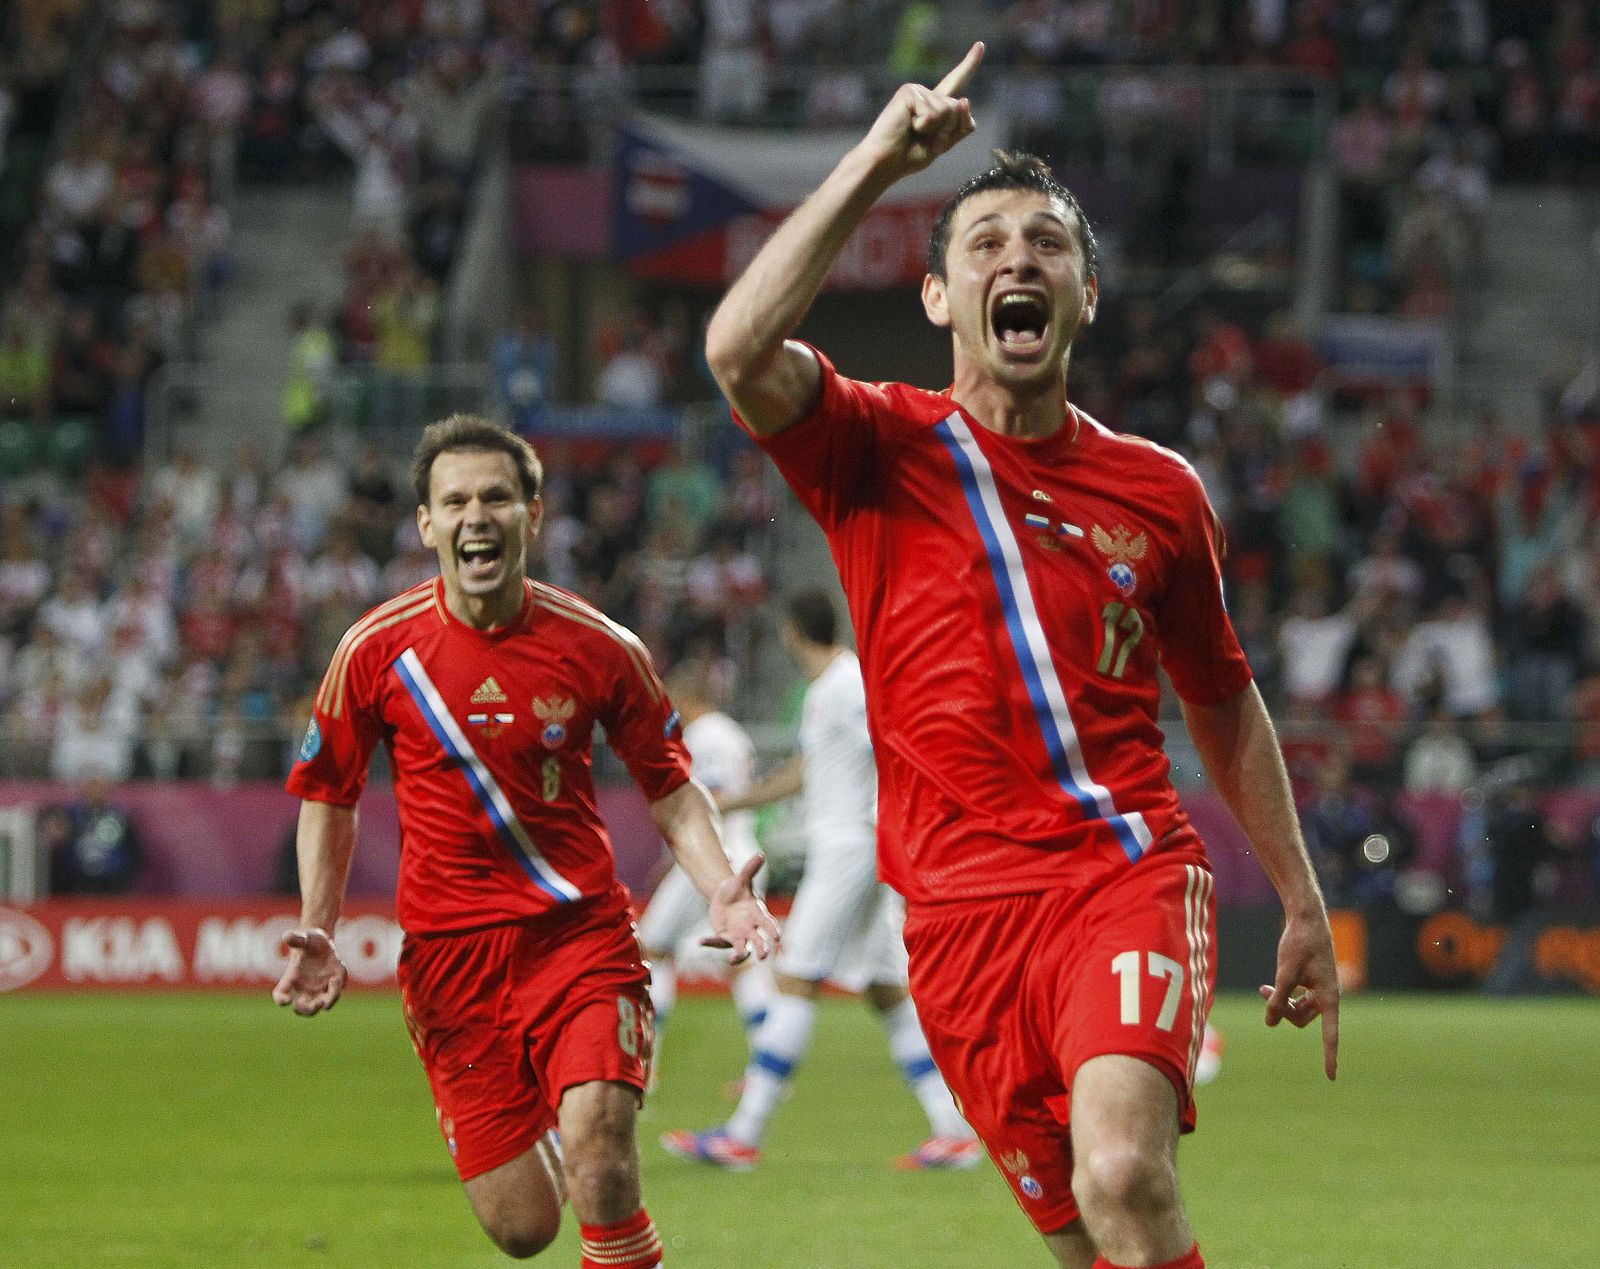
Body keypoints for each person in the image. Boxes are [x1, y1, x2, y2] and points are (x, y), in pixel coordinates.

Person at [700, 42, 1339, 1269]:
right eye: (983, 243)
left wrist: (1299, 894)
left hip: (1118, 875)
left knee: (1123, 1173)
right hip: (950, 923)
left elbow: (1222, 701)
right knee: (1088, 1243)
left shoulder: (1157, 493)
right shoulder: (874, 449)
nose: (1016, 261)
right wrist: (877, 161)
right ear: (938, 298)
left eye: (1046, 244)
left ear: (1085, 296)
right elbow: (735, 350)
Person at [272, 414, 779, 1266]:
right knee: (524, 1227)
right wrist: (318, 924)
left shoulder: (599, 646)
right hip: (450, 962)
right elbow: (328, 794)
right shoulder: (375, 651)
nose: (478, 515)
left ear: (532, 515)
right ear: (428, 524)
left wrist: (721, 881)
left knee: (603, 1151)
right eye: (457, 500)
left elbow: (670, 785)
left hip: (576, 937)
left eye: (498, 497)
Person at [662, 588, 978, 1171]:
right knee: (885, 987)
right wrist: (737, 803)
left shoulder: (848, 685)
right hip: (853, 842)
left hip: (850, 843)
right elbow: (809, 770)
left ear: (790, 631)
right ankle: (954, 1130)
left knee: (796, 975)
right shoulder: (827, 688)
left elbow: (893, 749)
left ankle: (745, 1134)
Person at [637, 659, 775, 1082]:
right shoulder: (730, 732)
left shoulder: (704, 735)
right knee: (744, 960)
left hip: (718, 856)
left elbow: (710, 798)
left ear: (686, 699)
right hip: (740, 852)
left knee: (655, 948)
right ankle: (768, 1065)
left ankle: (646, 1063)